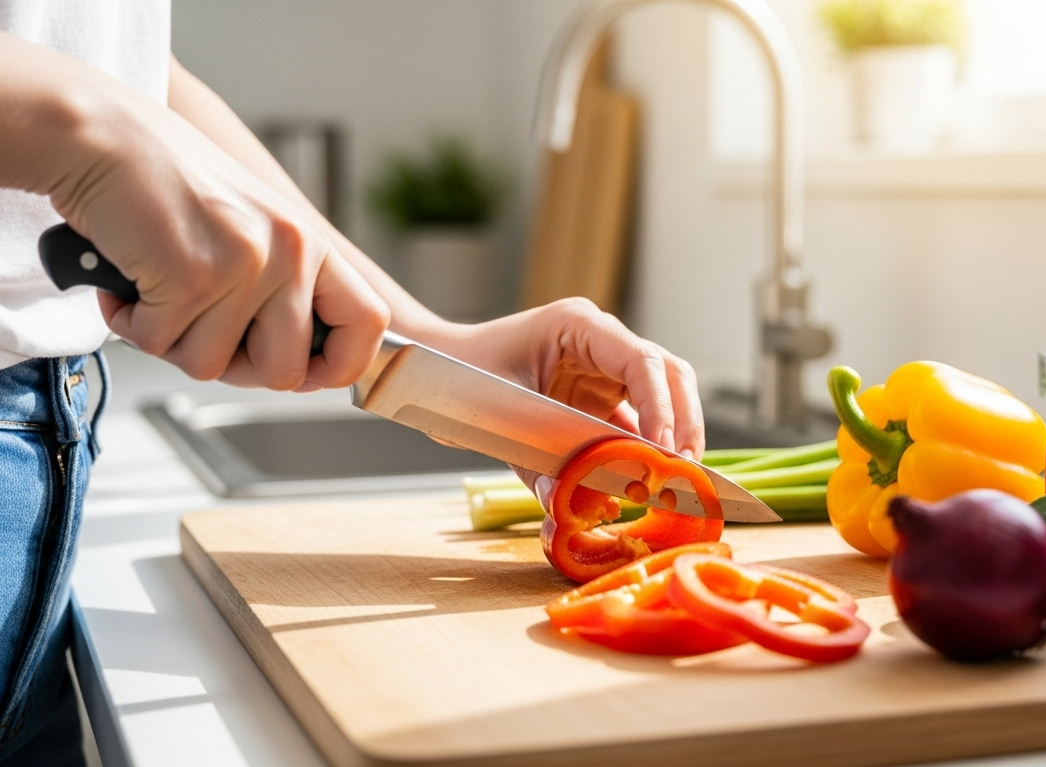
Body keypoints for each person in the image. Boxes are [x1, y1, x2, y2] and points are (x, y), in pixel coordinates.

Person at [0, 4, 703, 764]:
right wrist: (94, 132)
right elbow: (100, 98)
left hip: (50, 453)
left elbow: (120, 60)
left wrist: (430, 343)